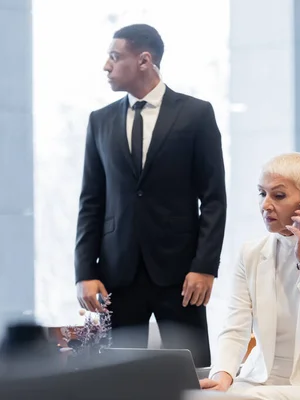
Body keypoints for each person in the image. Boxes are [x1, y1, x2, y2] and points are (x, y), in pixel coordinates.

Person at [74, 24, 227, 366]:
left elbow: (214, 197)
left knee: (192, 373)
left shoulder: (196, 115)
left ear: (144, 60)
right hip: (116, 274)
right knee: (117, 380)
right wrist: (84, 271)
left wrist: (205, 267)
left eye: (115, 57)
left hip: (181, 274)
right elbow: (91, 202)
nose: (106, 66)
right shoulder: (100, 121)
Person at [199, 153, 300, 400]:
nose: (265, 205)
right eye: (261, 193)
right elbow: (236, 328)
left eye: (278, 195)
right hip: (257, 381)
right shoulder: (251, 253)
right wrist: (222, 376)